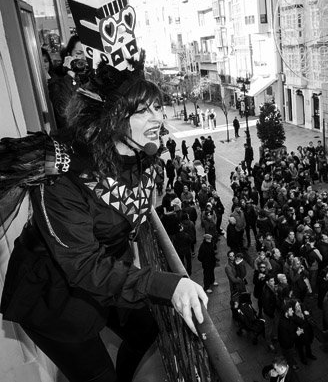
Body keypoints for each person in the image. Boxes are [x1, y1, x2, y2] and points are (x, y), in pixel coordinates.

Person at [0, 63, 208, 382]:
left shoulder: (138, 156)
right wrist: (168, 284)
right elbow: (83, 265)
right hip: (54, 298)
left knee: (146, 332)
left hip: (105, 273)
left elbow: (126, 214)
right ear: (114, 118)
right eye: (143, 111)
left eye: (157, 107)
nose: (158, 118)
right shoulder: (62, 175)